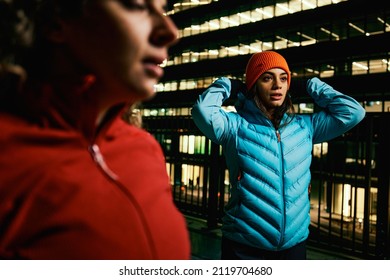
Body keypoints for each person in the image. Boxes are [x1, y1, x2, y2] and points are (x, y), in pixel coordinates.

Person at [0, 0, 190, 259]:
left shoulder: (144, 148)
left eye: (163, 8)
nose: (170, 31)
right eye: (136, 5)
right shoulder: (8, 160)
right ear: (56, 20)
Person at [192, 50, 365, 260]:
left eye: (283, 78)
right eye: (267, 78)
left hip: (293, 245)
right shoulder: (234, 127)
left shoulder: (305, 126)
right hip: (244, 245)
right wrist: (228, 85)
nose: (277, 85)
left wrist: (311, 85)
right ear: (254, 84)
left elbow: (353, 112)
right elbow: (203, 110)